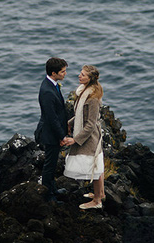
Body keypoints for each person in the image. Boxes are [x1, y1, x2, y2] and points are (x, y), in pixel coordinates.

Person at [62, 64, 105, 210]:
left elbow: (90, 124)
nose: (79, 76)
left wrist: (75, 139)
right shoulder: (83, 91)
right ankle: (101, 193)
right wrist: (71, 122)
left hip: (90, 137)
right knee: (98, 164)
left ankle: (97, 200)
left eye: (83, 75)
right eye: (80, 73)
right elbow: (81, 114)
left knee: (95, 166)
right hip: (89, 135)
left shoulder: (92, 98)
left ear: (90, 79)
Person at [34, 57, 69, 203]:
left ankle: (53, 189)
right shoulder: (47, 91)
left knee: (53, 163)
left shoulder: (52, 84)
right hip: (50, 133)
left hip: (53, 131)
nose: (65, 74)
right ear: (53, 73)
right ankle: (48, 195)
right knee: (49, 165)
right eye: (62, 71)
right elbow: (51, 118)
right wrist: (62, 136)